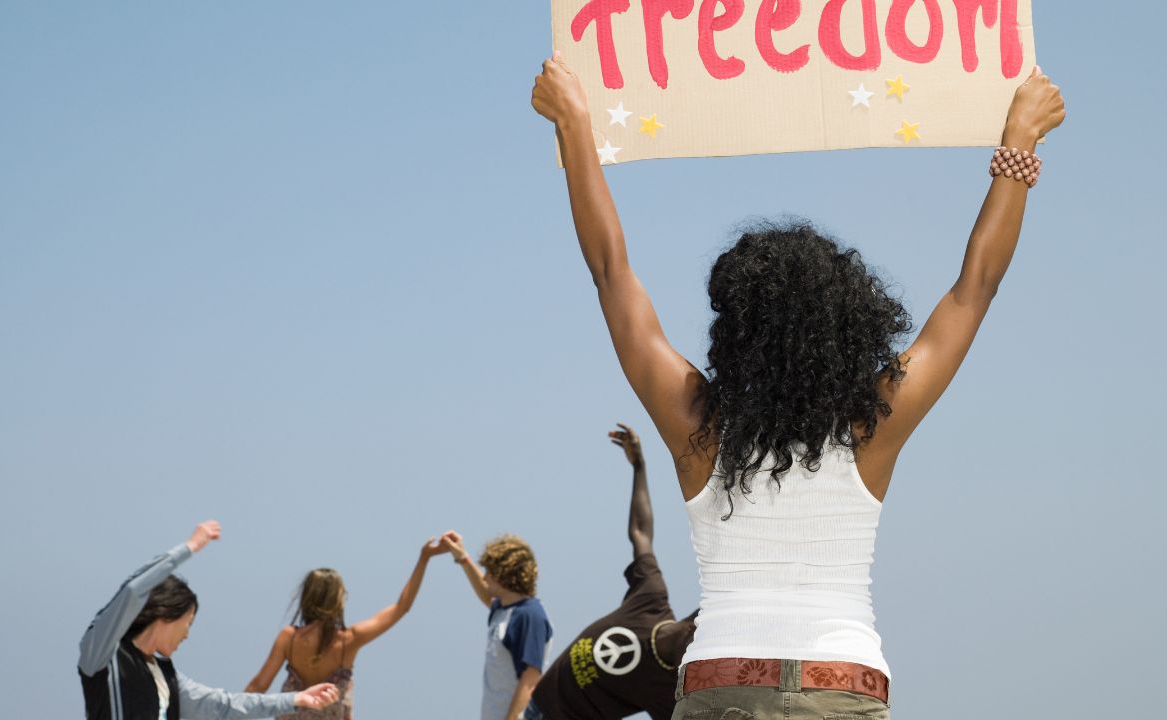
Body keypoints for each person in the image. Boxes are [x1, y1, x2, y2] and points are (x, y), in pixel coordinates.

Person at [530, 53, 1065, 720]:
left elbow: (611, 272)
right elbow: (973, 289)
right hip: (844, 679)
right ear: (849, 325)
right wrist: (1020, 144)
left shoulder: (699, 426)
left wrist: (575, 124)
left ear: (734, 329)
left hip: (721, 679)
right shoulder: (873, 420)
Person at [78, 520, 340, 720]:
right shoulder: (104, 655)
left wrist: (296, 699)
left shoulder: (167, 678)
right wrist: (187, 548)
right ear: (167, 614)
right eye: (188, 623)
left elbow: (224, 706)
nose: (187, 635)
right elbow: (132, 592)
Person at [527, 424, 698, 720]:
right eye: (700, 638)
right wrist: (640, 467)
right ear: (692, 619)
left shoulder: (670, 690)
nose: (697, 652)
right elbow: (640, 532)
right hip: (536, 707)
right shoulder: (651, 600)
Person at [243, 538, 449, 719]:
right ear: (337, 600)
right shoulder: (348, 641)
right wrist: (424, 558)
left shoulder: (289, 638)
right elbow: (401, 607)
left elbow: (259, 686)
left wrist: (227, 714)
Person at [443, 531, 554, 720]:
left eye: (490, 573)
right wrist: (462, 558)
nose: (485, 578)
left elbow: (530, 680)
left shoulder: (529, 616)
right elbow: (487, 595)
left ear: (505, 576)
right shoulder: (503, 610)